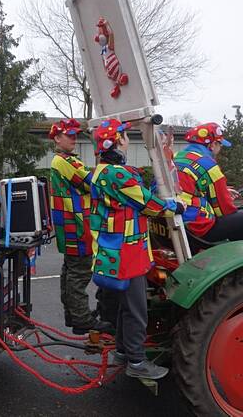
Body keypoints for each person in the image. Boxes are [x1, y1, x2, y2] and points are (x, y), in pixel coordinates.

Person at [90, 119, 184, 380]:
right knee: (136, 308)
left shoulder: (102, 170)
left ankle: (123, 351)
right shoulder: (116, 174)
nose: (128, 139)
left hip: (116, 249)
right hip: (126, 251)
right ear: (119, 140)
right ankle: (137, 361)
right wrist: (175, 207)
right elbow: (146, 203)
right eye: (125, 136)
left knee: (126, 306)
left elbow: (135, 196)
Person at [49, 118, 112, 335]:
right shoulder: (64, 161)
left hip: (69, 225)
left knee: (70, 273)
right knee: (79, 274)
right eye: (70, 135)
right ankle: (82, 319)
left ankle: (75, 316)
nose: (74, 139)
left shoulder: (64, 160)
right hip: (76, 224)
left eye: (75, 135)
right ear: (57, 138)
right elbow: (92, 183)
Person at [173, 122, 243, 242]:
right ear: (213, 145)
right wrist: (226, 198)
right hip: (194, 227)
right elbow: (224, 209)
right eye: (220, 144)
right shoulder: (208, 165)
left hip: (173, 220)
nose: (220, 149)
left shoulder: (176, 156)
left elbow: (187, 187)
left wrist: (224, 190)